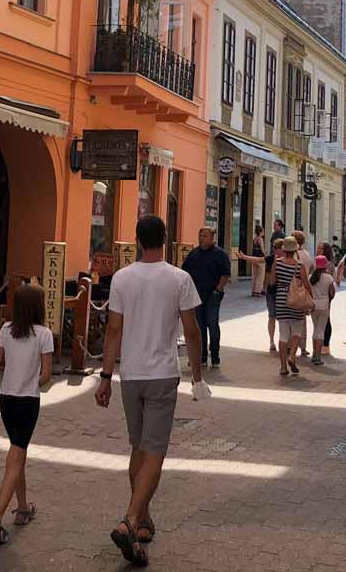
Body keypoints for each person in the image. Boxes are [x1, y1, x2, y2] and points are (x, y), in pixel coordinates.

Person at [95, 214, 203, 566]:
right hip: (162, 374)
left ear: (138, 241)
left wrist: (106, 376)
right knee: (154, 452)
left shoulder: (122, 278)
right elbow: (191, 331)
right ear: (165, 240)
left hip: (131, 375)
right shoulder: (179, 278)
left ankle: (143, 520)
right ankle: (129, 520)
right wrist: (197, 375)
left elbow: (113, 329)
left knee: (138, 449)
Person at [0, 283, 53, 546]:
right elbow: (46, 375)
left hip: (7, 400)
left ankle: (23, 508)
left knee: (17, 452)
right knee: (15, 457)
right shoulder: (44, 334)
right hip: (27, 402)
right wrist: (33, 382)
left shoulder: (5, 330)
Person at [181, 228, 230, 367]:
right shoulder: (193, 254)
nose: (201, 238)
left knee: (212, 324)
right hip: (196, 295)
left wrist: (218, 289)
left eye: (204, 236)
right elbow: (185, 272)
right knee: (199, 326)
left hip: (212, 295)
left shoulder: (220, 254)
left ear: (212, 238)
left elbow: (225, 274)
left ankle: (215, 356)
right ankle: (201, 356)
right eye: (200, 235)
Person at [269, 237, 307, 377]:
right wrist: (310, 299)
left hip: (281, 299)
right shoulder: (299, 265)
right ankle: (292, 355)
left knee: (283, 334)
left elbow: (272, 282)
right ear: (295, 249)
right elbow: (306, 284)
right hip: (296, 301)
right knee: (297, 332)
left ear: (284, 249)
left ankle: (283, 367)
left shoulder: (277, 263)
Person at [309, 255, 336, 366]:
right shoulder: (328, 278)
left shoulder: (311, 277)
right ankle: (317, 356)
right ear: (325, 265)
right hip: (324, 306)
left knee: (316, 329)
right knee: (320, 330)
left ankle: (314, 353)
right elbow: (332, 293)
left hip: (313, 305)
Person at [247, 226, 266, 295]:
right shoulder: (260, 239)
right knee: (260, 275)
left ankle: (253, 290)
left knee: (254, 274)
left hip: (254, 257)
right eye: (263, 231)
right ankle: (258, 291)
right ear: (260, 232)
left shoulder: (254, 239)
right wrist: (265, 254)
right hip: (260, 258)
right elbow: (262, 249)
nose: (263, 233)